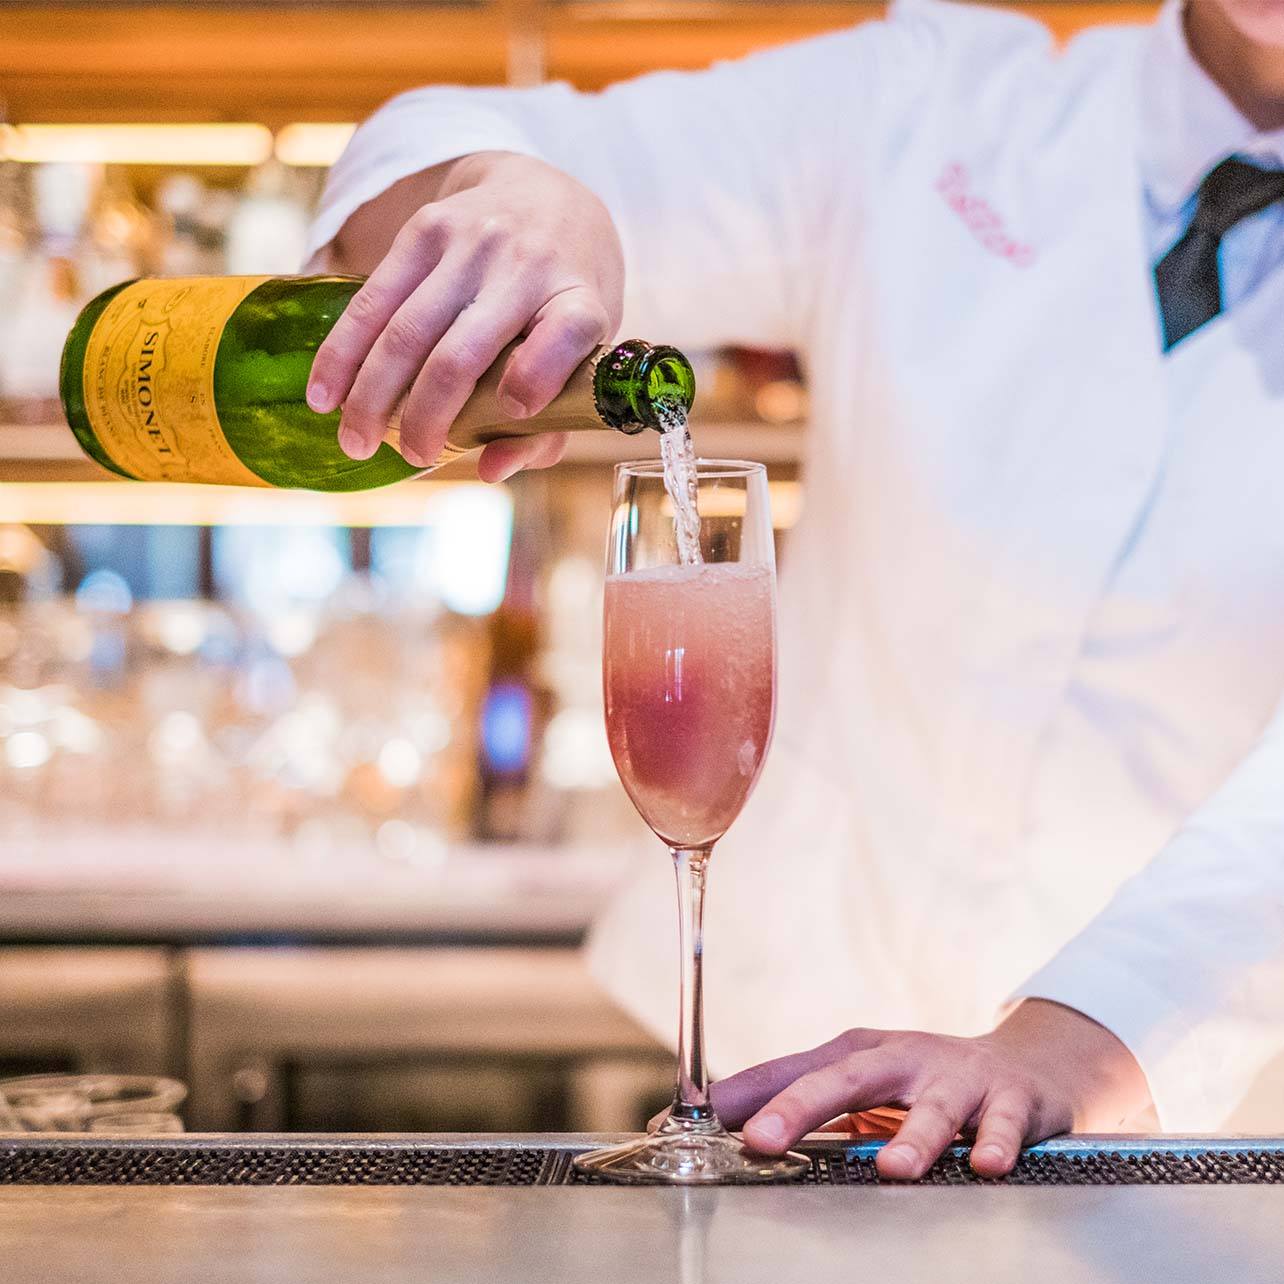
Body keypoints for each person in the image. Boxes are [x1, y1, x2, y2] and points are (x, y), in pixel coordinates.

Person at [303, 0, 1284, 1177]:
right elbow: (435, 145)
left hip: (1200, 1143)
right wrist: (518, 192)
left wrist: (1092, 1029)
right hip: (782, 1092)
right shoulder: (934, 100)